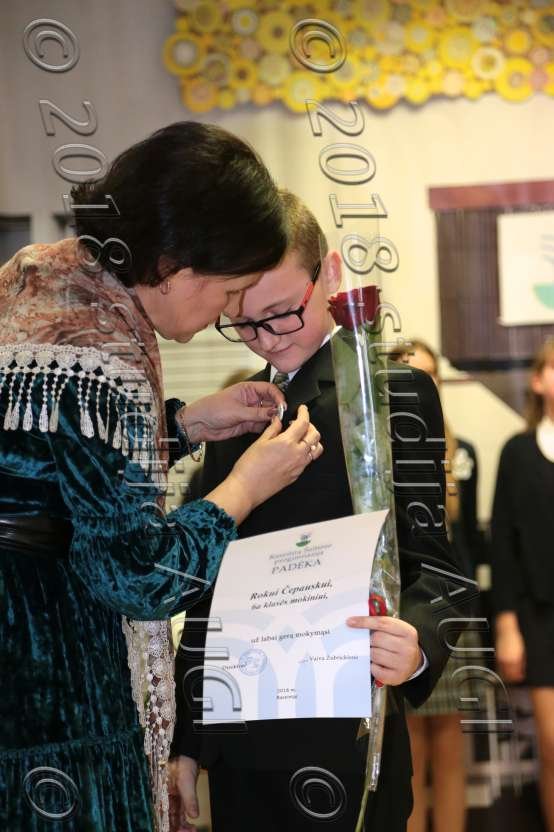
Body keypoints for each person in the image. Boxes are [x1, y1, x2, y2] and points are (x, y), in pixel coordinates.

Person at [0, 123, 324, 832]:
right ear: (176, 265)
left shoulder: (46, 279)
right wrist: (243, 489)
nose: (230, 313)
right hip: (50, 675)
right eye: (230, 291)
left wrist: (183, 424)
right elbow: (135, 576)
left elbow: (50, 465)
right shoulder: (102, 355)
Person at [169, 191, 466, 832]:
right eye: (242, 322)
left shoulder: (392, 395)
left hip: (346, 739)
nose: (264, 337)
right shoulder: (235, 414)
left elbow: (439, 566)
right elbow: (209, 588)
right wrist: (186, 742)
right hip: (242, 743)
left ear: (328, 274)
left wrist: (416, 646)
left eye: (281, 313)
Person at [401, 340, 481, 832]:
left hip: (455, 610)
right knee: (409, 753)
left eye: (429, 374)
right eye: (409, 372)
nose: (419, 384)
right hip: (407, 613)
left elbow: (468, 538)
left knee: (451, 749)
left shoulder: (462, 452)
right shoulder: (380, 450)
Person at [491, 336, 554, 832]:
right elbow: (504, 545)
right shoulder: (517, 452)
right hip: (540, 616)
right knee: (553, 748)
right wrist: (508, 625)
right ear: (537, 381)